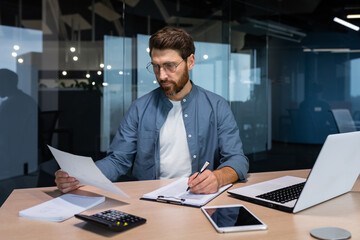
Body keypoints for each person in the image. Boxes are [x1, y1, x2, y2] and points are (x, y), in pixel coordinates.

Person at [55, 27, 249, 194]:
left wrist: (218, 177)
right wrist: (78, 177)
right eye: (156, 67)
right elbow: (118, 160)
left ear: (190, 62)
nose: (162, 75)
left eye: (170, 66)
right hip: (150, 199)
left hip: (198, 198)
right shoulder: (140, 108)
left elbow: (237, 159)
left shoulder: (217, 106)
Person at [0, 69, 38, 180]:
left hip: (15, 160)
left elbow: (8, 136)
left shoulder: (10, 105)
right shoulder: (28, 100)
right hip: (26, 157)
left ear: (5, 83)